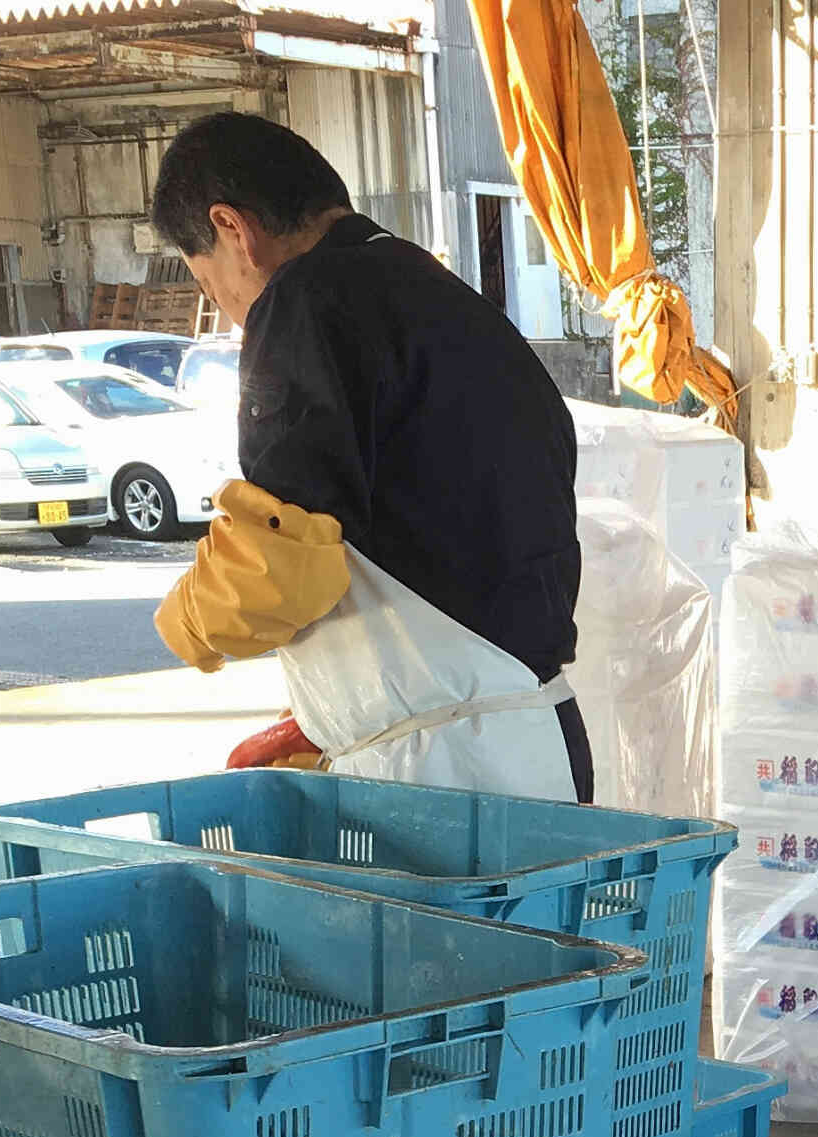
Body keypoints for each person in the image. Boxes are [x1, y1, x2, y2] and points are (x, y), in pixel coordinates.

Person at [145, 111, 590, 802]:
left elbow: (279, 568)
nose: (230, 311)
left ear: (234, 229)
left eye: (211, 288)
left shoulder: (302, 302)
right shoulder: (443, 300)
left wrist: (185, 624)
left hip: (441, 774)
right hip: (534, 742)